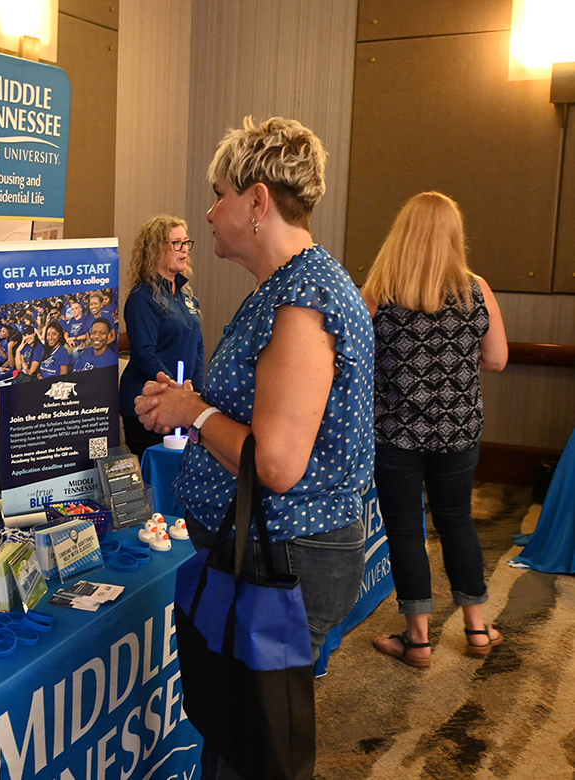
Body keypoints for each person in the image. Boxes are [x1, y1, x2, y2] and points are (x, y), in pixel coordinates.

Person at [134, 116, 373, 780]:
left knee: (253, 746)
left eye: (219, 194)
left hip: (282, 557)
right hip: (263, 551)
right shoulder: (289, 289)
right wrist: (186, 406)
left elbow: (275, 463)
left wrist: (192, 409)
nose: (208, 214)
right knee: (242, 733)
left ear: (259, 201)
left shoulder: (304, 299)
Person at [362, 192, 508, 668]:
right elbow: (498, 358)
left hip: (395, 434)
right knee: (457, 521)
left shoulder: (380, 290)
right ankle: (478, 629)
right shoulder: (475, 289)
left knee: (406, 530)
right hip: (458, 432)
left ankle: (418, 640)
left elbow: (355, 360)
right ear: (453, 235)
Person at [119, 215, 205, 461]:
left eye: (186, 242)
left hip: (184, 403)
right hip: (148, 405)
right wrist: (177, 391)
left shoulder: (188, 296)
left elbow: (198, 344)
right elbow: (145, 353)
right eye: (176, 243)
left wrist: (195, 392)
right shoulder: (141, 297)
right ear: (157, 249)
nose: (185, 249)